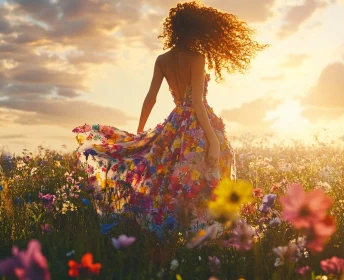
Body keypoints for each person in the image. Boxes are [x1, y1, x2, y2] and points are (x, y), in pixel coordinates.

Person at [72, 1, 267, 234]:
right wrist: (213, 140)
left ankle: (186, 228)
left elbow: (150, 98)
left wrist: (139, 133)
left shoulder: (162, 60)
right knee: (210, 173)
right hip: (199, 125)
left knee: (173, 178)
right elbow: (196, 103)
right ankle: (211, 231)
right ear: (195, 29)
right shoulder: (197, 57)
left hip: (175, 124)